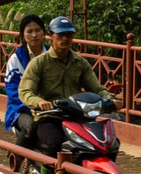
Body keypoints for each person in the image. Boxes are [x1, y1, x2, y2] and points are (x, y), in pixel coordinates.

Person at [17, 16, 108, 155]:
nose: (65, 38)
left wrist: (109, 99)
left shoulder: (80, 63)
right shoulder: (39, 63)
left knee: (100, 144)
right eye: (60, 35)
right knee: (54, 144)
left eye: (69, 35)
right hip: (49, 117)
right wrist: (39, 102)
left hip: (76, 116)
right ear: (50, 36)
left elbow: (96, 88)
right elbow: (25, 91)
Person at [1, 13, 50, 131]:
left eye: (38, 30)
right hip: (21, 109)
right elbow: (12, 91)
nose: (34, 35)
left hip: (51, 107)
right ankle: (18, 149)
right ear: (23, 35)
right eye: (29, 31)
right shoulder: (16, 59)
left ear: (44, 32)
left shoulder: (52, 55)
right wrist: (33, 105)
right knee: (30, 128)